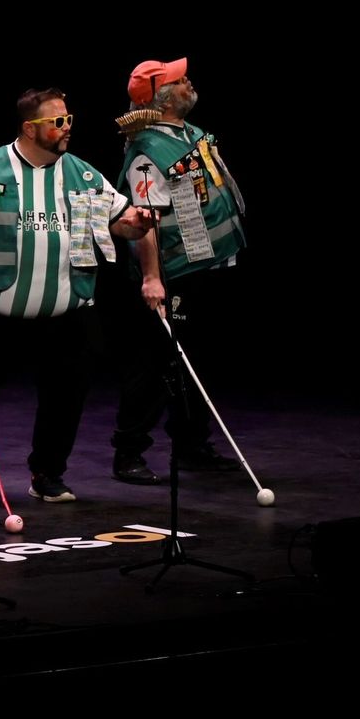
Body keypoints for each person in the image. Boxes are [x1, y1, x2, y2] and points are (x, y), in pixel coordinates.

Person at [0, 87, 155, 503]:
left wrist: (137, 223)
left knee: (65, 400)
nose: (68, 128)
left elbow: (121, 221)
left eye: (69, 119)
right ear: (31, 128)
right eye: (58, 122)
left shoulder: (83, 174)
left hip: (67, 314)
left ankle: (48, 474)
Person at [110, 58, 247, 483]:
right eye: (178, 79)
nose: (189, 81)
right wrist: (152, 278)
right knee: (153, 362)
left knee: (197, 361)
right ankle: (129, 451)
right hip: (174, 272)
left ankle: (191, 444)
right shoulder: (146, 152)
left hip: (209, 264)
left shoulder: (188, 134)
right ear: (162, 97)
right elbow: (143, 221)